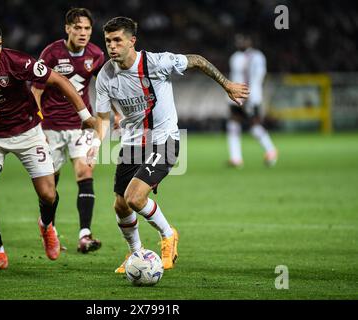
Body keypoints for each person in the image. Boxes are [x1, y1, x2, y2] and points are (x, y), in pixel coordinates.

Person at [86, 17, 249, 273]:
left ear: (132, 41)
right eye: (108, 41)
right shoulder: (106, 75)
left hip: (164, 140)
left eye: (118, 40)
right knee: (120, 204)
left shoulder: (156, 62)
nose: (112, 46)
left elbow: (196, 60)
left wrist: (227, 85)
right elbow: (104, 118)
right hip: (132, 143)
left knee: (134, 197)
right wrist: (95, 142)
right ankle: (136, 254)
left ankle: (168, 234)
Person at [0, 21, 95, 271]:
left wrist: (85, 116)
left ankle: (46, 226)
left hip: (27, 132)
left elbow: (59, 80)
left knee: (48, 194)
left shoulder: (16, 61)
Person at [31, 8, 105, 253]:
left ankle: (85, 235)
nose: (83, 33)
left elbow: (105, 85)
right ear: (67, 29)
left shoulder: (96, 54)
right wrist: (36, 125)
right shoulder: (51, 54)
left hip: (81, 126)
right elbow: (37, 92)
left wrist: (112, 112)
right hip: (50, 127)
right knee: (49, 186)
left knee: (85, 173)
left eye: (87, 29)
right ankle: (47, 227)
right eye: (78, 28)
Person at [226, 33, 278, 168]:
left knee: (254, 126)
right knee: (233, 124)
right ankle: (235, 158)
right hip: (235, 96)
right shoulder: (235, 57)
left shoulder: (256, 56)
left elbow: (257, 76)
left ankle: (271, 150)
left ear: (250, 41)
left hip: (250, 96)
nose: (240, 42)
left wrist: (247, 94)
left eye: (243, 39)